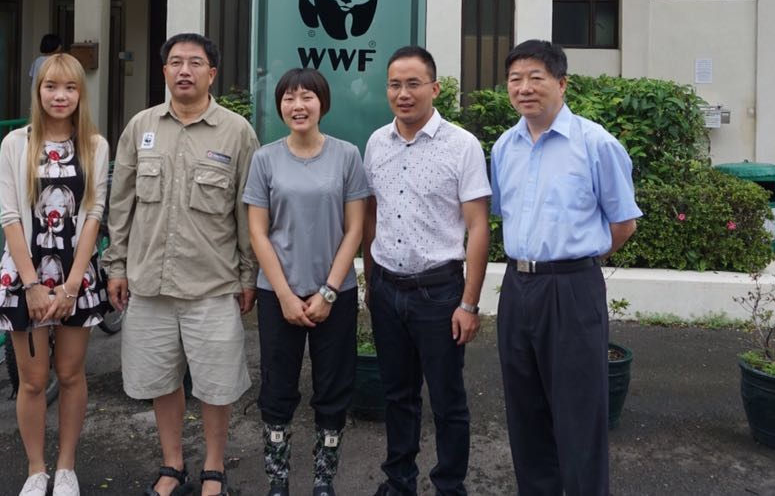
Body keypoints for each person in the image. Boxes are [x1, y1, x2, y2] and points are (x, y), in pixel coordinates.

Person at [106, 33, 260, 496]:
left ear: (212, 74)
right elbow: (121, 203)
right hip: (149, 283)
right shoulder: (141, 126)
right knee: (160, 379)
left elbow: (248, 211)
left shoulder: (237, 132)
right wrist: (116, 266)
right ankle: (172, 464)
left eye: (195, 63)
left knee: (216, 384)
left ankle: (214, 467)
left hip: (212, 284)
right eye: (175, 62)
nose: (184, 71)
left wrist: (248, 274)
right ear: (164, 72)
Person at [490, 39, 642, 496]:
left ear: (562, 83)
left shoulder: (596, 144)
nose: (524, 88)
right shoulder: (505, 147)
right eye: (515, 79)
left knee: (579, 413)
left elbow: (624, 224)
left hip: (572, 288)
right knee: (524, 410)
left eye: (536, 77)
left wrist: (578, 262)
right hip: (517, 286)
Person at [362, 46, 491, 496]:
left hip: (439, 292)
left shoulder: (462, 145)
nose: (403, 93)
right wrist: (370, 280)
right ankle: (399, 481)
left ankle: (449, 485)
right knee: (397, 395)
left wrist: (469, 303)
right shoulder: (377, 142)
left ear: (434, 88)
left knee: (447, 399)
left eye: (413, 84)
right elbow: (371, 214)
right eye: (395, 84)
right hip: (386, 288)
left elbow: (478, 227)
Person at [0, 53, 112, 496]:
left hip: (77, 274)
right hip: (25, 274)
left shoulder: (95, 144)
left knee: (71, 374)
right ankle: (36, 470)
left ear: (80, 93)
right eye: (51, 87)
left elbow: (94, 214)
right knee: (33, 380)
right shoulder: (15, 143)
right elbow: (9, 216)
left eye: (70, 87)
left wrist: (73, 284)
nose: (60, 96)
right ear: (37, 92)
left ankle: (66, 467)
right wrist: (32, 284)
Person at [244, 68, 369, 496]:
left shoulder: (347, 155)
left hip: (335, 294)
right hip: (278, 293)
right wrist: (283, 294)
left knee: (333, 389)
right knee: (277, 388)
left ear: (322, 104)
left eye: (307, 97)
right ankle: (278, 479)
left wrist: (329, 291)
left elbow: (355, 228)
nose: (298, 105)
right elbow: (258, 231)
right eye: (289, 98)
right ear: (280, 105)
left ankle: (323, 479)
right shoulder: (265, 159)